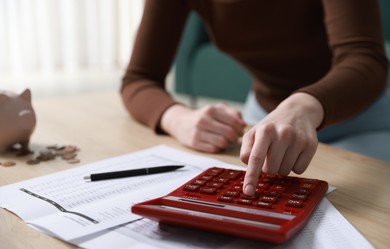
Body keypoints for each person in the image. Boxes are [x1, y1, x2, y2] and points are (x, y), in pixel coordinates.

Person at [121, 1, 389, 196]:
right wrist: (180, 119)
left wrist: (301, 106)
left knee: (357, 207)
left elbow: (365, 58)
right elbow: (138, 78)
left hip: (366, 112)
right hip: (266, 117)